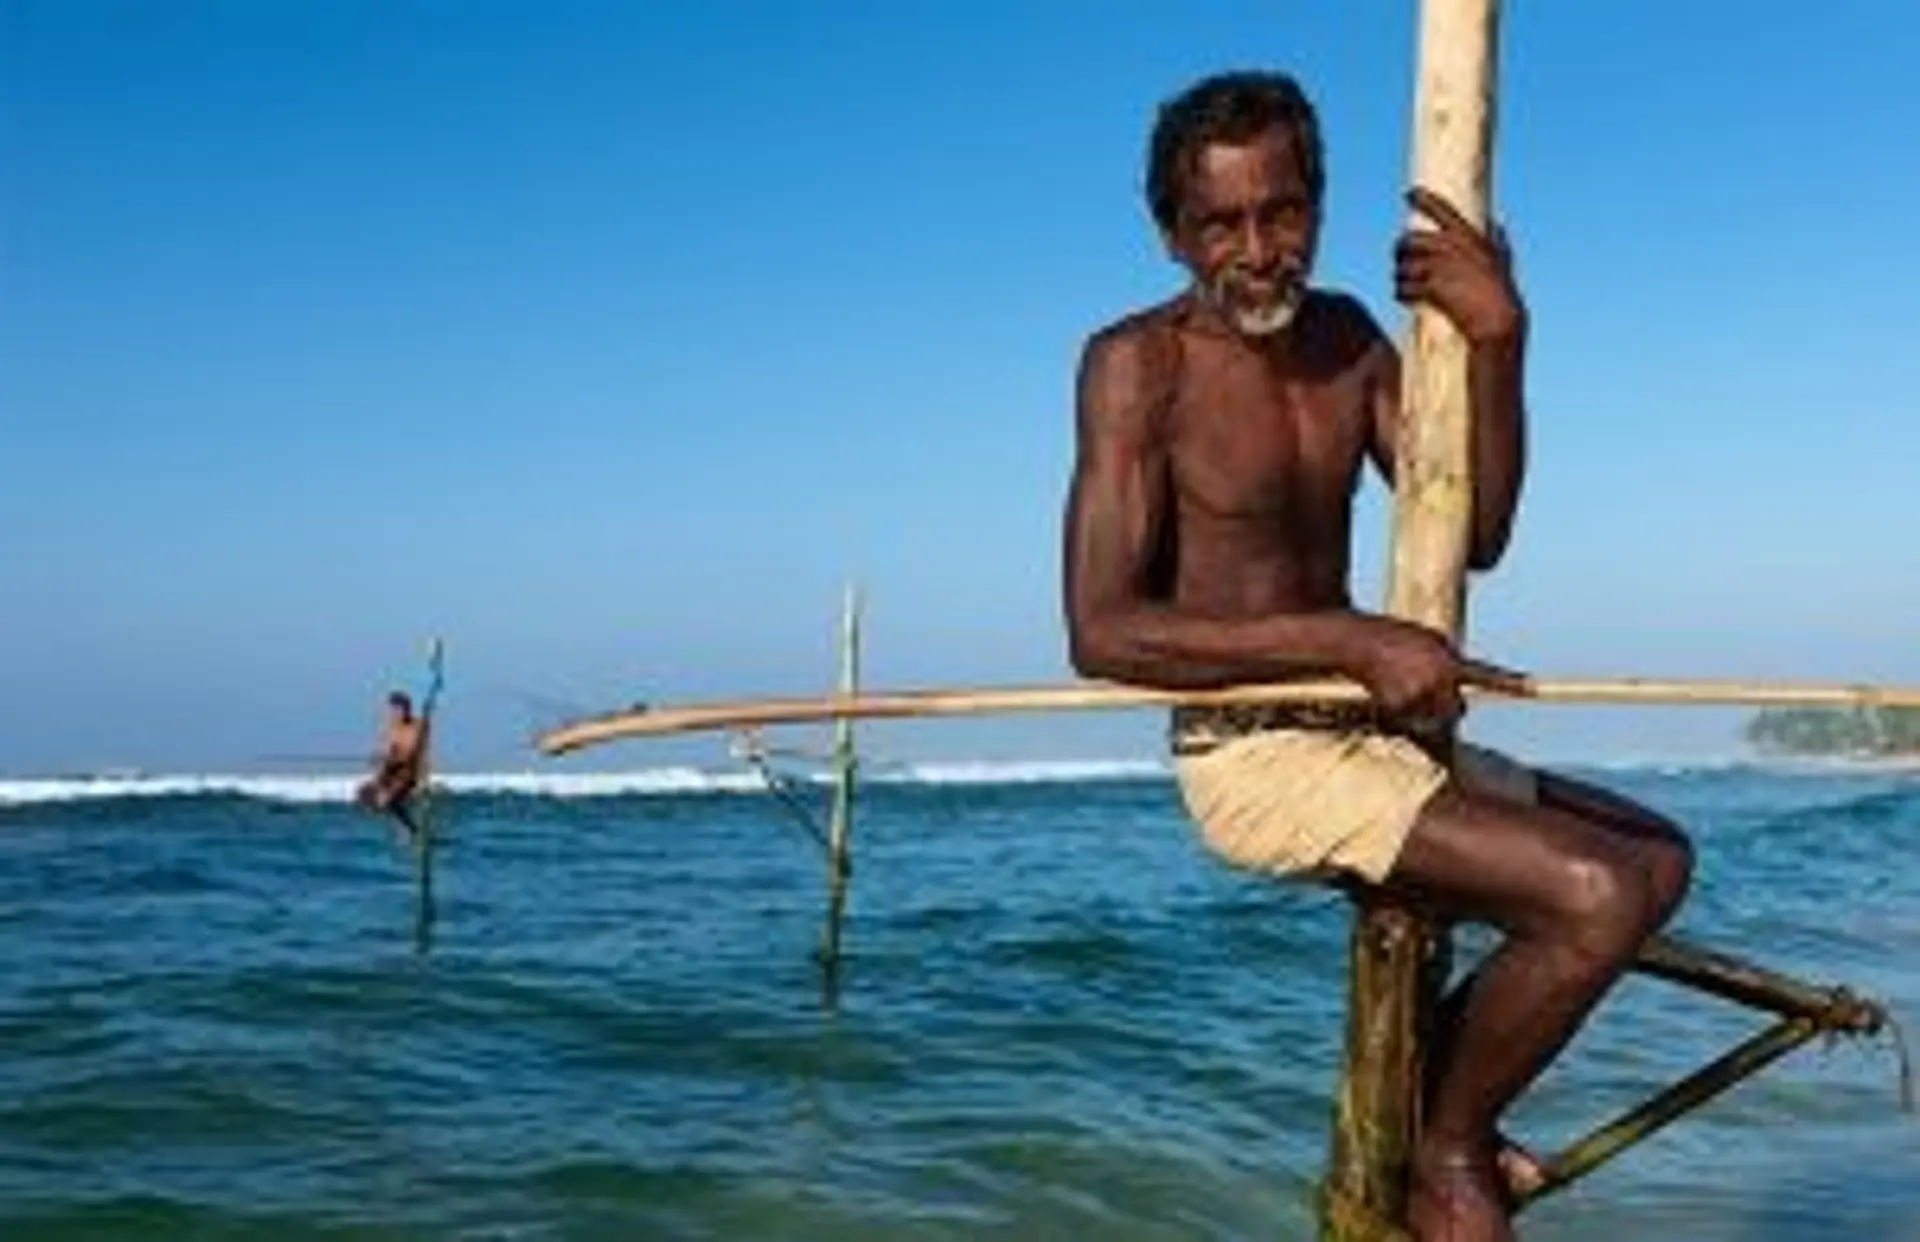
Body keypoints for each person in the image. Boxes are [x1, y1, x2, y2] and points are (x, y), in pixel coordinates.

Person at [1061, 70, 1694, 1242]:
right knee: (1593, 896)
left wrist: (1502, 336)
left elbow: (1477, 527)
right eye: (1220, 224)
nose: (1257, 252)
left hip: (1377, 734)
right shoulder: (1133, 368)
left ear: (1317, 203)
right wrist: (1349, 638)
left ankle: (1424, 1110)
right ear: (1171, 235)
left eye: (1284, 212)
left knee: (1654, 860)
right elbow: (1102, 630)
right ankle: (1446, 1151)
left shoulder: (1351, 340)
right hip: (1255, 760)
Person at [357, 690, 429, 839]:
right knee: (363, 792)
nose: (397, 713)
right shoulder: (392, 726)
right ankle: (404, 823)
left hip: (408, 773)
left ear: (408, 709)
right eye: (394, 710)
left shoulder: (419, 725)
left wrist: (393, 759)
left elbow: (411, 752)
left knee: (386, 801)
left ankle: (411, 829)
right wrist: (378, 757)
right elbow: (388, 749)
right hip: (390, 771)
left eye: (400, 709)